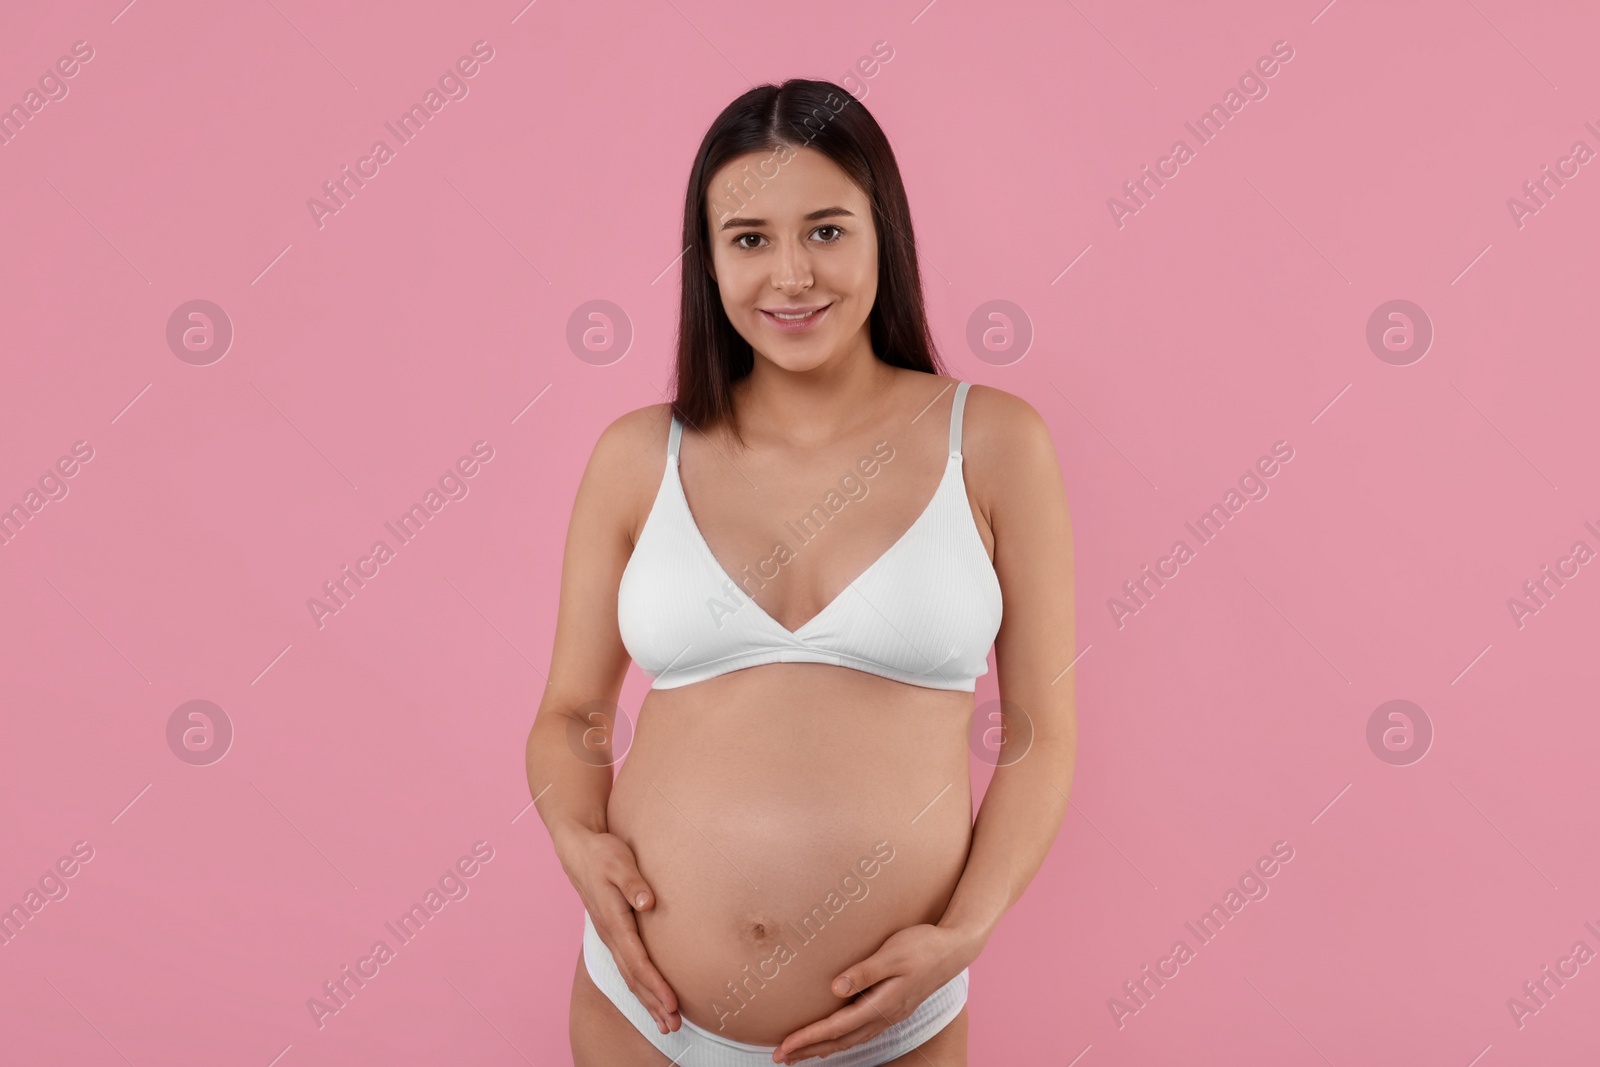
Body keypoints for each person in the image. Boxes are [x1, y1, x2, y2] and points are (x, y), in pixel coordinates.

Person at [526, 78, 1076, 1067]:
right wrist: (574, 833)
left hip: (890, 1026)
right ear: (708, 259)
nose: (790, 274)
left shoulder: (991, 443)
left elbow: (1039, 731)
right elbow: (572, 710)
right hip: (637, 1013)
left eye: (826, 230)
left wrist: (967, 929)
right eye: (748, 239)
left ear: (883, 234)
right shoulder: (636, 455)